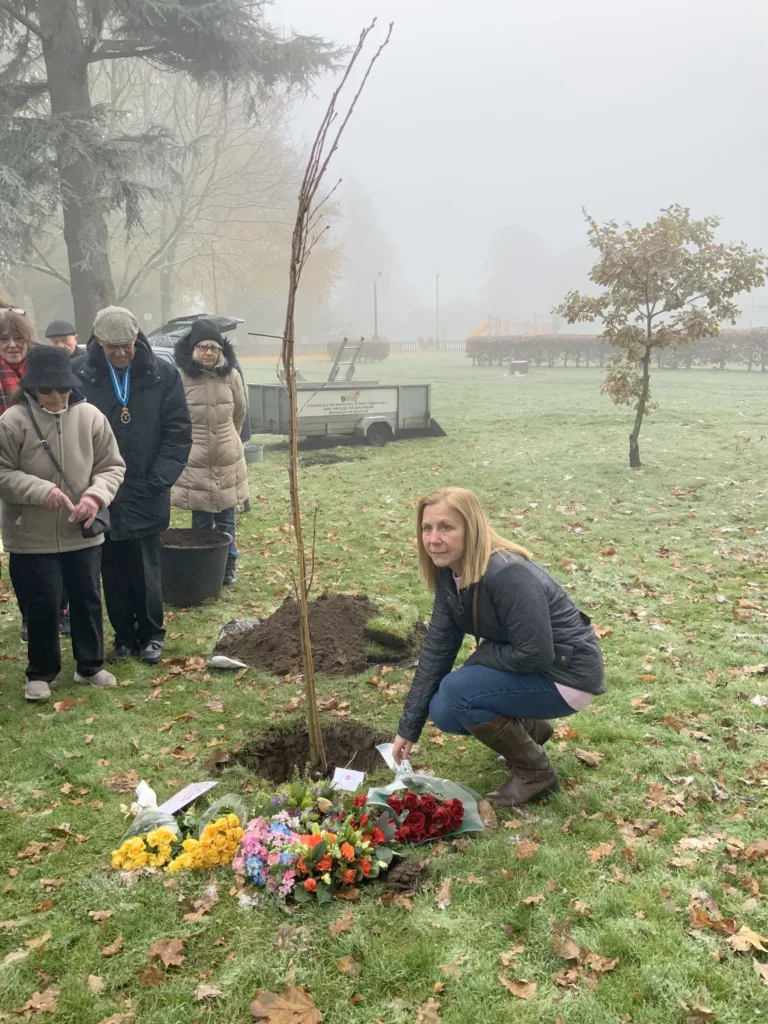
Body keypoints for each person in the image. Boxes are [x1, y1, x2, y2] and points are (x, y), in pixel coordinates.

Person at [392, 488, 605, 806]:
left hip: (568, 674)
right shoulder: (451, 576)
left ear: (471, 528)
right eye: (427, 528)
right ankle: (532, 732)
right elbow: (437, 650)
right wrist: (408, 728)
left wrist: (481, 658)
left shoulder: (507, 572)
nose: (433, 539)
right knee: (444, 710)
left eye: (446, 527)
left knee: (459, 691)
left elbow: (536, 652)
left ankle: (536, 773)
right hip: (538, 669)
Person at [0, 346, 126, 702]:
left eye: (62, 389)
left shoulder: (91, 417)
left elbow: (112, 466)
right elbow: (2, 472)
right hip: (30, 535)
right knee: (42, 603)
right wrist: (41, 491)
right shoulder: (12, 421)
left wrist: (96, 496)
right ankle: (40, 672)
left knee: (87, 599)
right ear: (31, 389)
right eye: (47, 389)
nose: (56, 396)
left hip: (81, 532)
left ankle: (90, 665)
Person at [72, 306, 192, 664]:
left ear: (137, 339)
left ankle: (152, 635)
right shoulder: (81, 375)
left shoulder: (162, 374)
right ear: (98, 343)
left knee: (146, 567)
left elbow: (178, 432)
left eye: (127, 345)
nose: (122, 353)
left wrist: (158, 479)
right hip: (100, 489)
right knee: (111, 566)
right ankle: (123, 636)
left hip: (146, 486)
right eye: (113, 347)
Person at [171, 319, 248, 584]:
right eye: (203, 347)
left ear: (221, 351)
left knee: (227, 516)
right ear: (193, 349)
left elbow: (239, 412)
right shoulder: (180, 377)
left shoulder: (232, 375)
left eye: (214, 348)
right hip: (195, 457)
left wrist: (230, 439)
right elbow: (174, 416)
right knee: (202, 517)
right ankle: (203, 566)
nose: (208, 353)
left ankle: (229, 564)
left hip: (227, 455)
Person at [0, 306, 34, 416]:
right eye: (4, 339)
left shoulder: (43, 368)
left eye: (19, 338)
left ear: (27, 340)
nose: (12, 345)